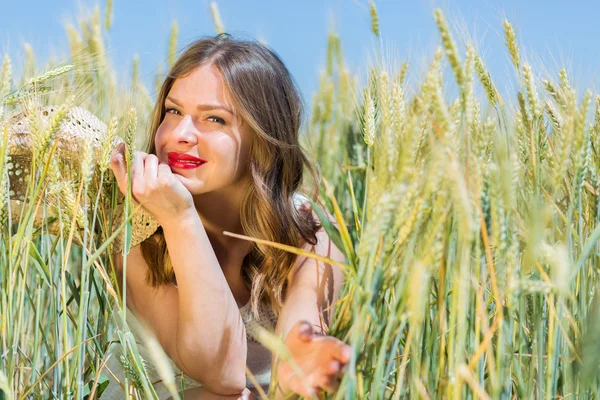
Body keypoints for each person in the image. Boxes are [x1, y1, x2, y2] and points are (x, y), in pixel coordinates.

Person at [105, 33, 350, 399]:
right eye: (173, 112)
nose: (181, 134)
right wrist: (179, 219)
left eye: (214, 119)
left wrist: (305, 362)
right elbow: (221, 374)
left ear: (263, 137)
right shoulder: (135, 231)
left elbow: (294, 358)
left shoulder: (307, 231)